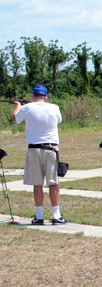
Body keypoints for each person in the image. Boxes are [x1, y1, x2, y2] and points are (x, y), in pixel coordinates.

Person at [12, 84, 67, 225]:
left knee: (37, 184)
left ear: (33, 96)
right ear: (46, 97)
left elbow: (15, 118)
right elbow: (59, 120)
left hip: (34, 150)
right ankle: (56, 215)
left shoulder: (27, 107)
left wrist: (18, 105)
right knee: (53, 183)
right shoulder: (54, 107)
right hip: (51, 150)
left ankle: (39, 216)